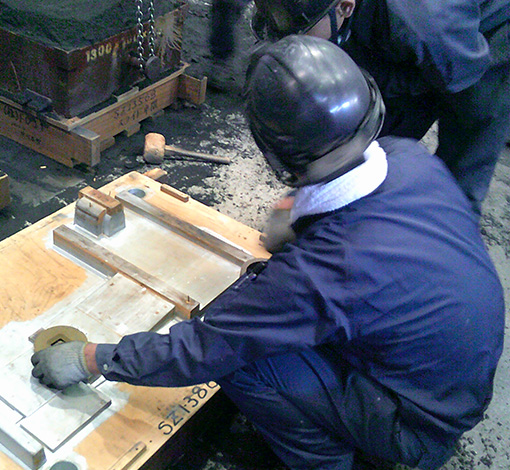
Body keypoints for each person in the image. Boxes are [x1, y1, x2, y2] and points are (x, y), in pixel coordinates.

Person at [31, 36, 505, 470]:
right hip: (447, 382)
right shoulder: (407, 158)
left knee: (244, 361)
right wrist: (299, 214)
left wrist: (91, 359)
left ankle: (326, 461)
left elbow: (204, 348)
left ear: (276, 158)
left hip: (414, 424)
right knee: (267, 308)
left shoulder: (323, 274)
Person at [251, 0, 510, 216]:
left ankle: (443, 243)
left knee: (460, 176)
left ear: (344, 7)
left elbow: (459, 75)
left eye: (301, 32)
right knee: (364, 132)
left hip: (480, 48)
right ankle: (339, 214)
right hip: (424, 33)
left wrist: (374, 80)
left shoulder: (424, 25)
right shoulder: (334, 12)